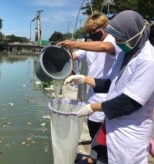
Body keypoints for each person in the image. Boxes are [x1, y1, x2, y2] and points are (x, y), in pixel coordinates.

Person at [63, 10, 154, 164]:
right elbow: (112, 84)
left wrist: (92, 107)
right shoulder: (127, 54)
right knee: (103, 156)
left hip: (129, 132)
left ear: (133, 34)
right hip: (112, 123)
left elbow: (129, 102)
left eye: (119, 39)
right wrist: (84, 78)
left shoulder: (148, 61)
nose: (117, 42)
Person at [58, 11, 122, 163]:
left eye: (94, 31)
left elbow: (104, 47)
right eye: (89, 33)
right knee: (94, 132)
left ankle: (100, 159)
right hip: (92, 96)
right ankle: (94, 158)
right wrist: (67, 62)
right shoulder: (90, 47)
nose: (92, 35)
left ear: (104, 27)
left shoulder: (112, 41)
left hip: (107, 97)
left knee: (105, 138)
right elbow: (73, 55)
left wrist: (74, 43)